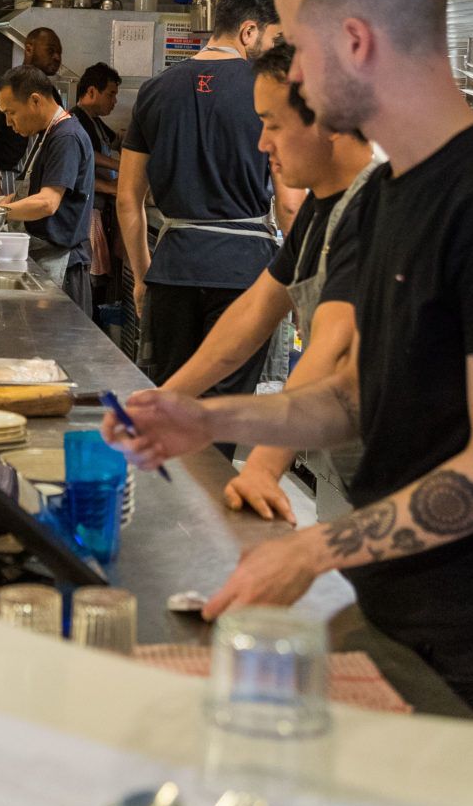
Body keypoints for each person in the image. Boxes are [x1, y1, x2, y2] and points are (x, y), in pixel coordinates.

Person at [103, 0, 473, 723]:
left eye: (297, 45)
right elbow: (354, 395)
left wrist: (313, 548)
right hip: (396, 615)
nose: (289, 73)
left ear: (355, 42)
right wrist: (205, 416)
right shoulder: (387, 198)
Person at [161, 39, 375, 523]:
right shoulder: (322, 205)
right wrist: (167, 398)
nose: (262, 144)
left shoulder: (374, 208)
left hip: (409, 483)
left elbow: (331, 351)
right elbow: (255, 310)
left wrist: (261, 468)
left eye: (273, 124)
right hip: (353, 469)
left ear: (327, 120)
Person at [117, 0, 281, 392]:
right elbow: (292, 204)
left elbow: (127, 199)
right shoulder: (269, 91)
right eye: (275, 39)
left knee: (173, 398)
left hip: (173, 272)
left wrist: (143, 276)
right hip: (244, 275)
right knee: (225, 407)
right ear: (249, 31)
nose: (276, 51)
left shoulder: (154, 90)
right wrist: (297, 285)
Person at [0, 65, 96, 307]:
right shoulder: (47, 134)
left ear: (35, 100)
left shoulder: (66, 137)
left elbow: (47, 203)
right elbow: (36, 191)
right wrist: (12, 200)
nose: (8, 122)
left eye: (11, 112)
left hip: (62, 266)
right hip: (44, 258)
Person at [0, 29, 79, 199]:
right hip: (6, 180)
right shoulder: (4, 90)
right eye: (51, 50)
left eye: (59, 53)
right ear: (29, 48)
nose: (57, 57)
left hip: (38, 183)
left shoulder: (52, 94)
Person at [72, 62, 122, 305]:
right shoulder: (76, 119)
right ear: (92, 92)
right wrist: (117, 178)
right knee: (90, 283)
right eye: (110, 94)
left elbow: (116, 142)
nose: (114, 101)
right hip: (87, 212)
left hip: (100, 209)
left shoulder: (95, 121)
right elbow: (85, 162)